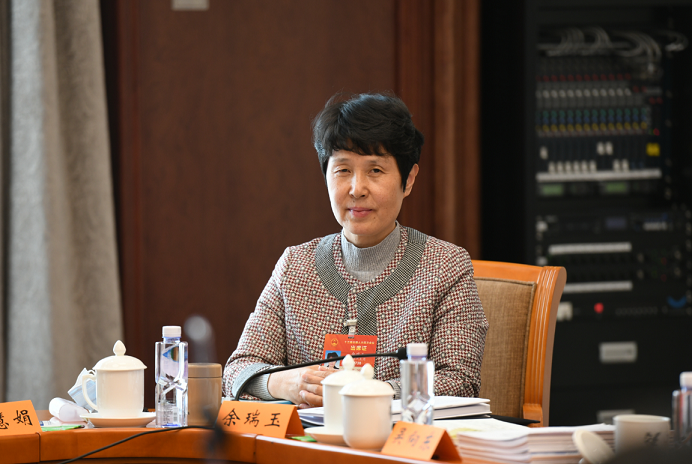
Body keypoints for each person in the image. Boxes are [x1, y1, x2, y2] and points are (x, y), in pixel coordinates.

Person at [223, 92, 488, 408]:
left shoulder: (446, 266)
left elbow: (459, 381)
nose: (357, 189)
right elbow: (238, 370)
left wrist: (367, 391)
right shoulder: (295, 265)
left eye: (375, 170)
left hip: (400, 438)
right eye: (343, 170)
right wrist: (286, 383)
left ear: (408, 180)